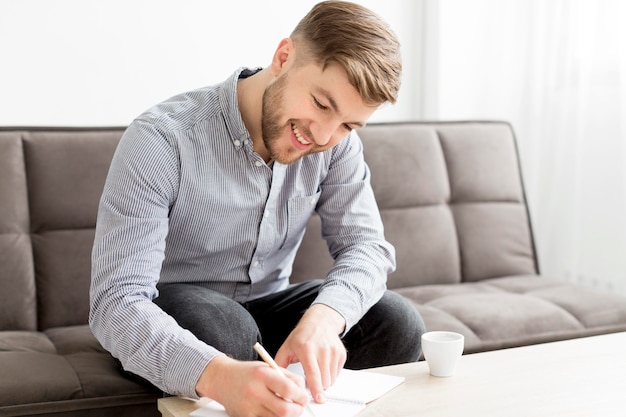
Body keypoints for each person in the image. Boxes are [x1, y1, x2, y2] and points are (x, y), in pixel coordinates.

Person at [89, 1, 425, 416]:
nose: (323, 135)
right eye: (321, 104)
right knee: (227, 330)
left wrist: (324, 318)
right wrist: (218, 375)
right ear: (283, 58)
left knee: (394, 319)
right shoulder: (162, 140)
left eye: (348, 124)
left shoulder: (336, 147)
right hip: (182, 319)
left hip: (266, 313)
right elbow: (116, 302)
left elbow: (368, 249)